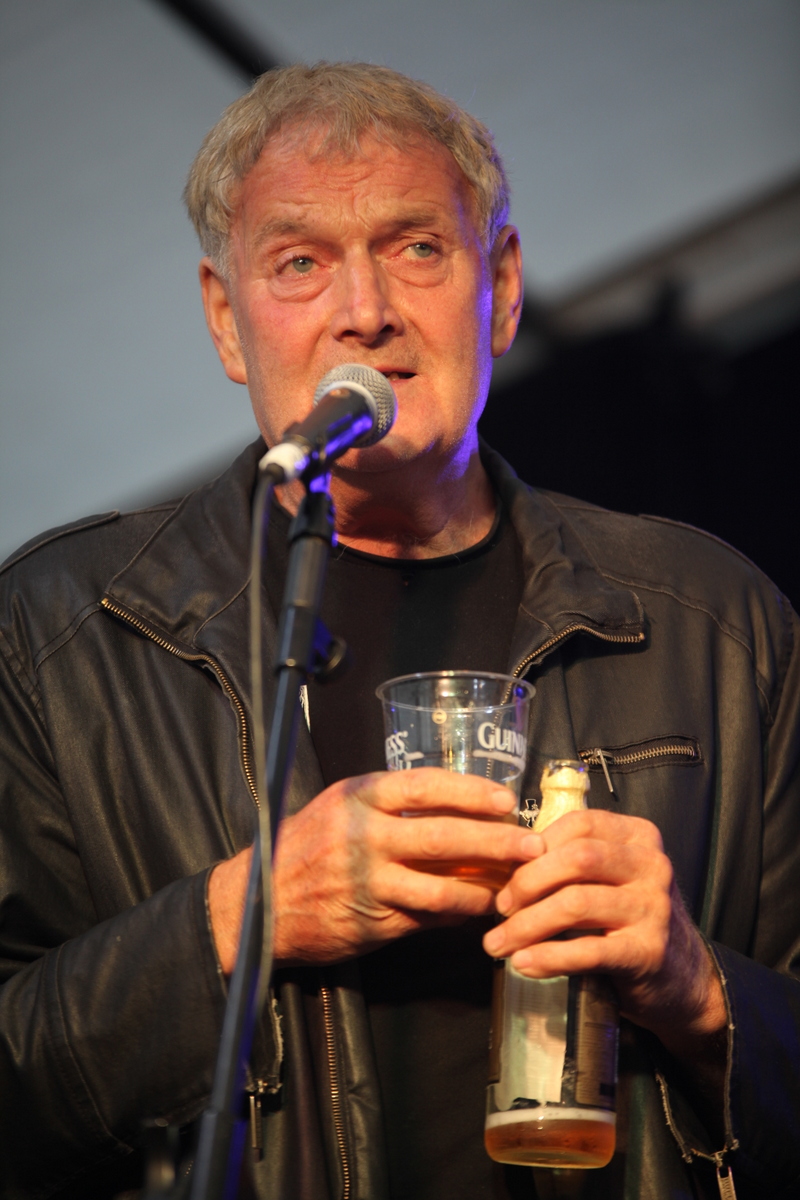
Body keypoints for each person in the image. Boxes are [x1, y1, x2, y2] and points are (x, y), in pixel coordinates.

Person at [0, 62, 798, 1200]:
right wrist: (241, 917)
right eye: (299, 263)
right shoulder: (59, 635)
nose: (364, 310)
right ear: (227, 321)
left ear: (502, 288)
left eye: (417, 247)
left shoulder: (711, 620)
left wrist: (695, 988)